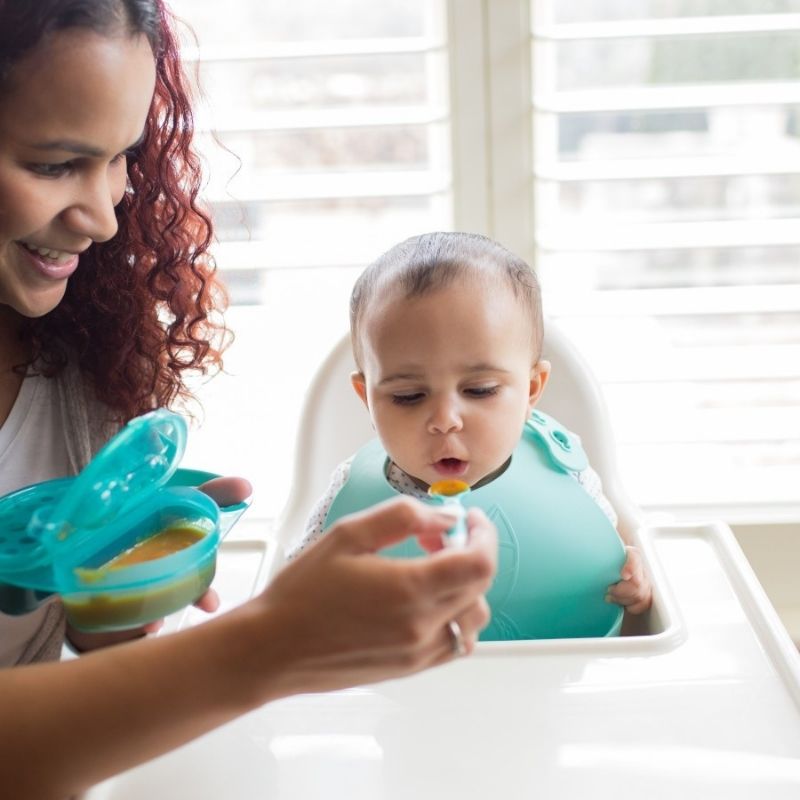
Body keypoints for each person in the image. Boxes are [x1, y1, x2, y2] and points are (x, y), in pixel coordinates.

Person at [0, 2, 497, 796]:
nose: (100, 216)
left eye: (121, 157)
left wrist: (110, 604)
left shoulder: (70, 367)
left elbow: (58, 690)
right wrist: (270, 647)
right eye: (54, 165)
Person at [290, 231, 652, 637]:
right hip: (399, 692)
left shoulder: (566, 475)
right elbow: (292, 593)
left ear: (531, 389)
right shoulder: (348, 494)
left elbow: (612, 561)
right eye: (408, 396)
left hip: (550, 684)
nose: (445, 420)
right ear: (367, 399)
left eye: (479, 391)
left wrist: (635, 586)